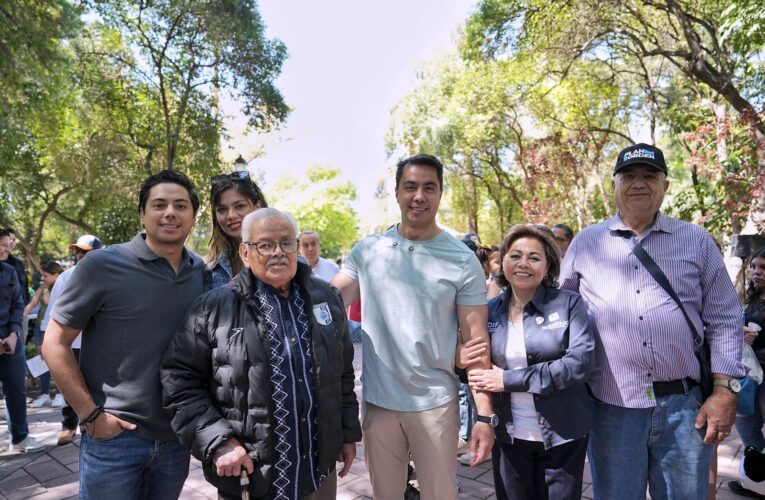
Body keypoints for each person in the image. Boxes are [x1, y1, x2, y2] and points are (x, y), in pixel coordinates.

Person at [560, 143, 745, 499]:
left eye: (649, 175)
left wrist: (724, 391)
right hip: (611, 408)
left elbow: (724, 318)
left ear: (665, 185)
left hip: (684, 408)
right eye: (628, 176)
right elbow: (560, 312)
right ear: (614, 184)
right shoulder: (586, 243)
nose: (639, 184)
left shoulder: (697, 241)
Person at [162, 208, 361, 499]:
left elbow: (342, 372)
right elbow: (179, 381)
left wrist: (346, 433)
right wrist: (220, 442)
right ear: (245, 252)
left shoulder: (326, 299)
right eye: (265, 245)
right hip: (251, 475)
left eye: (286, 243)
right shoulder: (212, 308)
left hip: (317, 471)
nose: (278, 252)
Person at [331, 154, 495, 500]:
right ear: (396, 192)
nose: (419, 195)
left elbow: (477, 346)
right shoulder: (368, 250)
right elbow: (330, 299)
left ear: (439, 194)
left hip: (435, 404)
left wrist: (484, 416)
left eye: (428, 187)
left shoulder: (462, 260)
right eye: (410, 186)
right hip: (378, 403)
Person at [42, 170, 205, 499]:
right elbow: (53, 344)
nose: (170, 212)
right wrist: (89, 416)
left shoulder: (199, 270)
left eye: (180, 205)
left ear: (193, 218)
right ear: (142, 214)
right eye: (159, 204)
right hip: (115, 440)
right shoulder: (101, 265)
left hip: (176, 440)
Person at [464, 224, 594, 499]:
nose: (523, 263)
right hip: (509, 436)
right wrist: (457, 358)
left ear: (547, 267)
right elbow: (474, 367)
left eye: (534, 257)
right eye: (515, 255)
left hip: (563, 434)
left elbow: (578, 365)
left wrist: (508, 380)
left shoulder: (569, 304)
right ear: (503, 261)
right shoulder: (488, 312)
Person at [40, 234, 102, 445]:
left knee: (99, 385)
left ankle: (97, 421)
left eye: (85, 252)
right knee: (69, 382)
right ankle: (68, 424)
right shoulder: (67, 277)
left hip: (100, 342)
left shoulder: (111, 275)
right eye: (78, 252)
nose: (80, 256)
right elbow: (52, 311)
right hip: (72, 343)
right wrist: (44, 341)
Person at [0, 229, 45, 453]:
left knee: (17, 389)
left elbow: (18, 305)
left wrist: (13, 334)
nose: (6, 249)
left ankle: (19, 438)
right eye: (2, 244)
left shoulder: (9, 271)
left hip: (10, 339)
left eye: (8, 245)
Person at [729, 247, 765, 497]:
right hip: (749, 375)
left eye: (763, 268)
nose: (756, 272)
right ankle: (755, 480)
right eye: (754, 267)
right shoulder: (753, 297)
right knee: (747, 427)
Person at [204, 170, 267, 291]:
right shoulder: (208, 269)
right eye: (222, 209)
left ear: (257, 207)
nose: (231, 215)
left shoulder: (289, 257)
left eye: (239, 206)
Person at [25, 260, 64, 408]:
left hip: (55, 328)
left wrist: (46, 289)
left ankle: (61, 394)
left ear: (56, 274)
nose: (42, 279)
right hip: (41, 327)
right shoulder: (44, 286)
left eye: (45, 275)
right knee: (42, 360)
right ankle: (44, 393)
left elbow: (48, 302)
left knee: (59, 362)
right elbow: (34, 302)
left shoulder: (62, 285)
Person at [3, 228, 30, 305]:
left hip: (20, 309)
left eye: (14, 240)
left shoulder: (19, 263)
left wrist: (27, 303)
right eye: (9, 239)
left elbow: (24, 286)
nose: (11, 242)